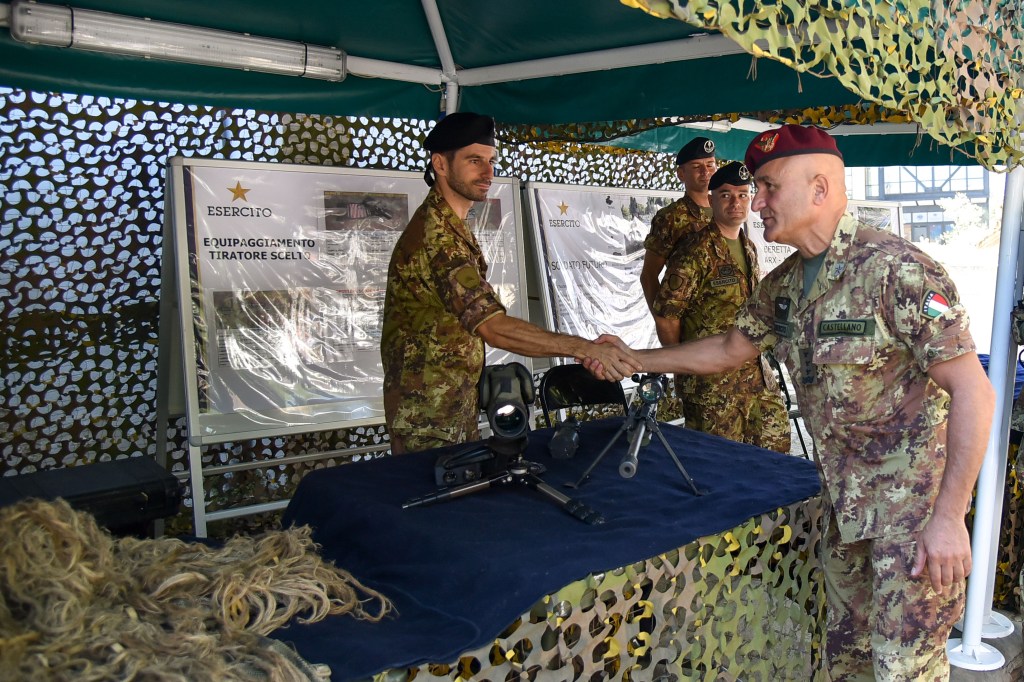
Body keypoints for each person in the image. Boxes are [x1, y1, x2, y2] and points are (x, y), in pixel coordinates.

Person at [589, 125, 995, 680]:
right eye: (756, 189)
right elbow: (731, 348)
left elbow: (973, 390)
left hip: (912, 519)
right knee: (845, 659)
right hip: (843, 509)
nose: (755, 202)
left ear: (821, 189)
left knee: (904, 668)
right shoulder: (784, 284)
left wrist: (949, 517)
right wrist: (636, 359)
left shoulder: (894, 270)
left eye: (768, 187)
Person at [380, 112, 641, 455]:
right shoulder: (437, 237)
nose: (488, 173)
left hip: (448, 406)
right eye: (475, 161)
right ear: (440, 165)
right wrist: (586, 349)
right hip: (428, 419)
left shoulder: (452, 225)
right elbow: (494, 328)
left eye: (491, 162)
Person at [652, 161, 790, 453]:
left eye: (742, 194)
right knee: (720, 470)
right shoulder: (695, 252)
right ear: (711, 199)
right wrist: (685, 366)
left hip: (755, 377)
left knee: (774, 457)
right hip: (712, 386)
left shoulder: (749, 247)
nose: (736, 202)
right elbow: (666, 316)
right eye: (726, 195)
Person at [639, 137, 718, 311]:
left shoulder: (726, 212)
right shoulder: (671, 217)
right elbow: (648, 276)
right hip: (692, 327)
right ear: (681, 174)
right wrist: (663, 325)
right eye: (697, 167)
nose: (706, 171)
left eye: (710, 164)